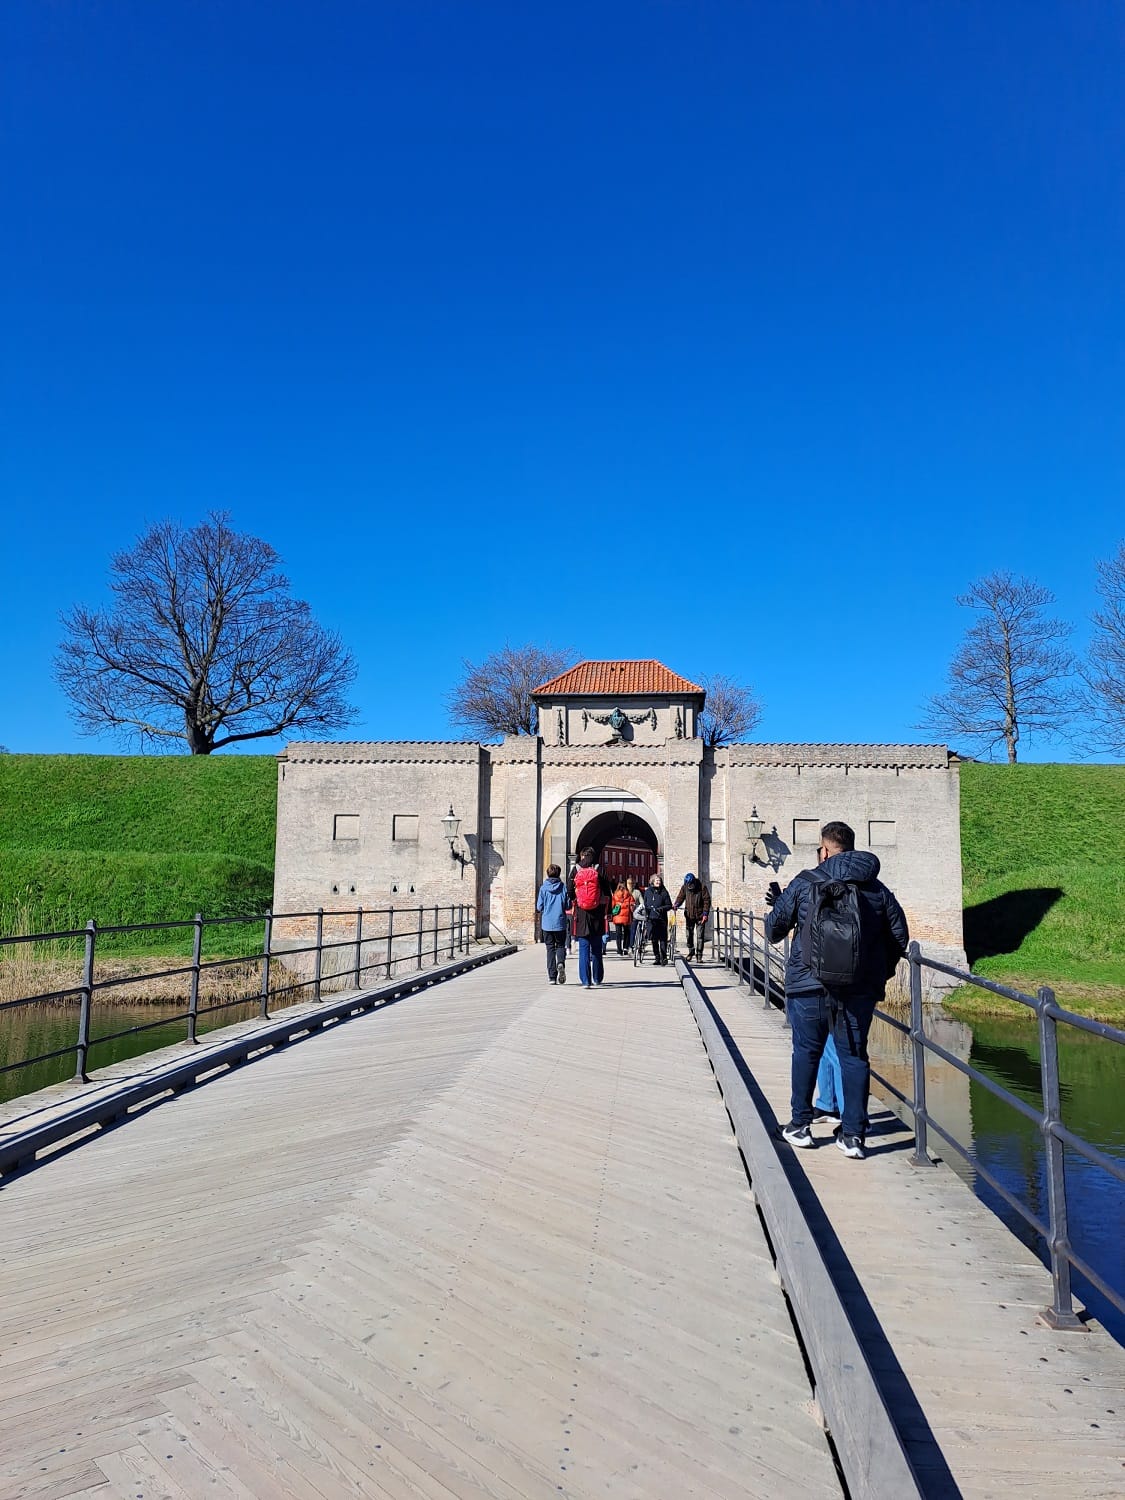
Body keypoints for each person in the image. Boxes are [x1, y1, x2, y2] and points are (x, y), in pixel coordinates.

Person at [765, 820, 908, 1160]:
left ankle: (800, 1126)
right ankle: (854, 1137)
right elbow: (899, 937)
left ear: (825, 850)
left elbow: (773, 931)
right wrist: (876, 975)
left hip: (807, 984)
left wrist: (781, 905)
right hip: (858, 989)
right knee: (854, 1057)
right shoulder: (877, 889)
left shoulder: (805, 882)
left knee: (806, 1051)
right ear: (853, 848)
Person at [567, 847, 614, 988]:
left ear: (582, 855)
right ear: (594, 856)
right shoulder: (599, 869)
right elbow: (608, 891)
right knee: (597, 948)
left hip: (582, 914)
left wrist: (577, 899)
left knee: (583, 948)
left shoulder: (576, 869)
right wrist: (608, 911)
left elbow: (569, 890)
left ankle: (585, 981)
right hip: (597, 913)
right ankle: (597, 978)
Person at [536, 864, 569, 985]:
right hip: (560, 922)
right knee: (560, 945)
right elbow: (568, 905)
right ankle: (560, 962)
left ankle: (552, 977)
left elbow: (539, 907)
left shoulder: (543, 888)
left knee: (550, 949)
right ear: (559, 874)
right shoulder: (563, 887)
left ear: (547, 874)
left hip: (547, 923)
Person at [672, 873, 711, 961]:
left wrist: (705, 914)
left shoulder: (702, 887)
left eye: (690, 884)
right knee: (688, 935)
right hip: (689, 915)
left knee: (700, 936)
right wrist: (676, 904)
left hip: (700, 916)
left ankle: (699, 955)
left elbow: (707, 901)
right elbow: (680, 897)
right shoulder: (685, 887)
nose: (689, 886)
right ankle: (691, 951)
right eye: (688, 885)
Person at [642, 873, 674, 965]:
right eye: (656, 881)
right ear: (652, 882)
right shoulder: (648, 891)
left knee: (663, 939)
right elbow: (645, 903)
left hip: (661, 918)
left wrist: (661, 909)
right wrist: (646, 912)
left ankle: (664, 958)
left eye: (659, 881)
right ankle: (657, 957)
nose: (658, 882)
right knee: (654, 939)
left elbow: (669, 905)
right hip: (651, 918)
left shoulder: (664, 892)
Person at [611, 878, 634, 955]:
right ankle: (625, 948)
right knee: (627, 933)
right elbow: (632, 905)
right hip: (626, 917)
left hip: (617, 917)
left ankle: (619, 949)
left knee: (618, 934)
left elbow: (612, 905)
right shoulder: (629, 895)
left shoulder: (615, 895)